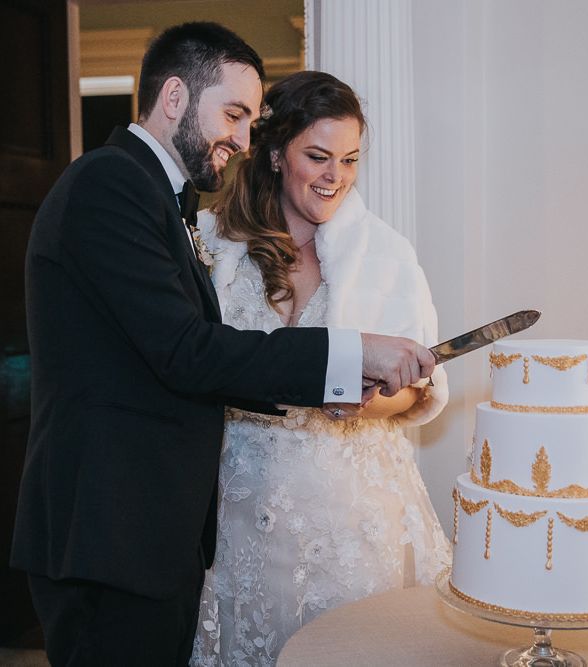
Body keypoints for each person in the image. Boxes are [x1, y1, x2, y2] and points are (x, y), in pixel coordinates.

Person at [10, 23, 435, 667]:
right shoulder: (111, 185)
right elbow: (190, 352)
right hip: (108, 534)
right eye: (233, 114)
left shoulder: (159, 199)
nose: (241, 137)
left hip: (146, 538)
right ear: (175, 97)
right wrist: (351, 355)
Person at [190, 71, 451, 666]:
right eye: (318, 156)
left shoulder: (386, 254)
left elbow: (422, 390)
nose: (335, 176)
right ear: (277, 154)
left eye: (350, 160)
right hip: (239, 509)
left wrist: (368, 399)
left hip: (350, 514)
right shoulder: (212, 246)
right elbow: (194, 363)